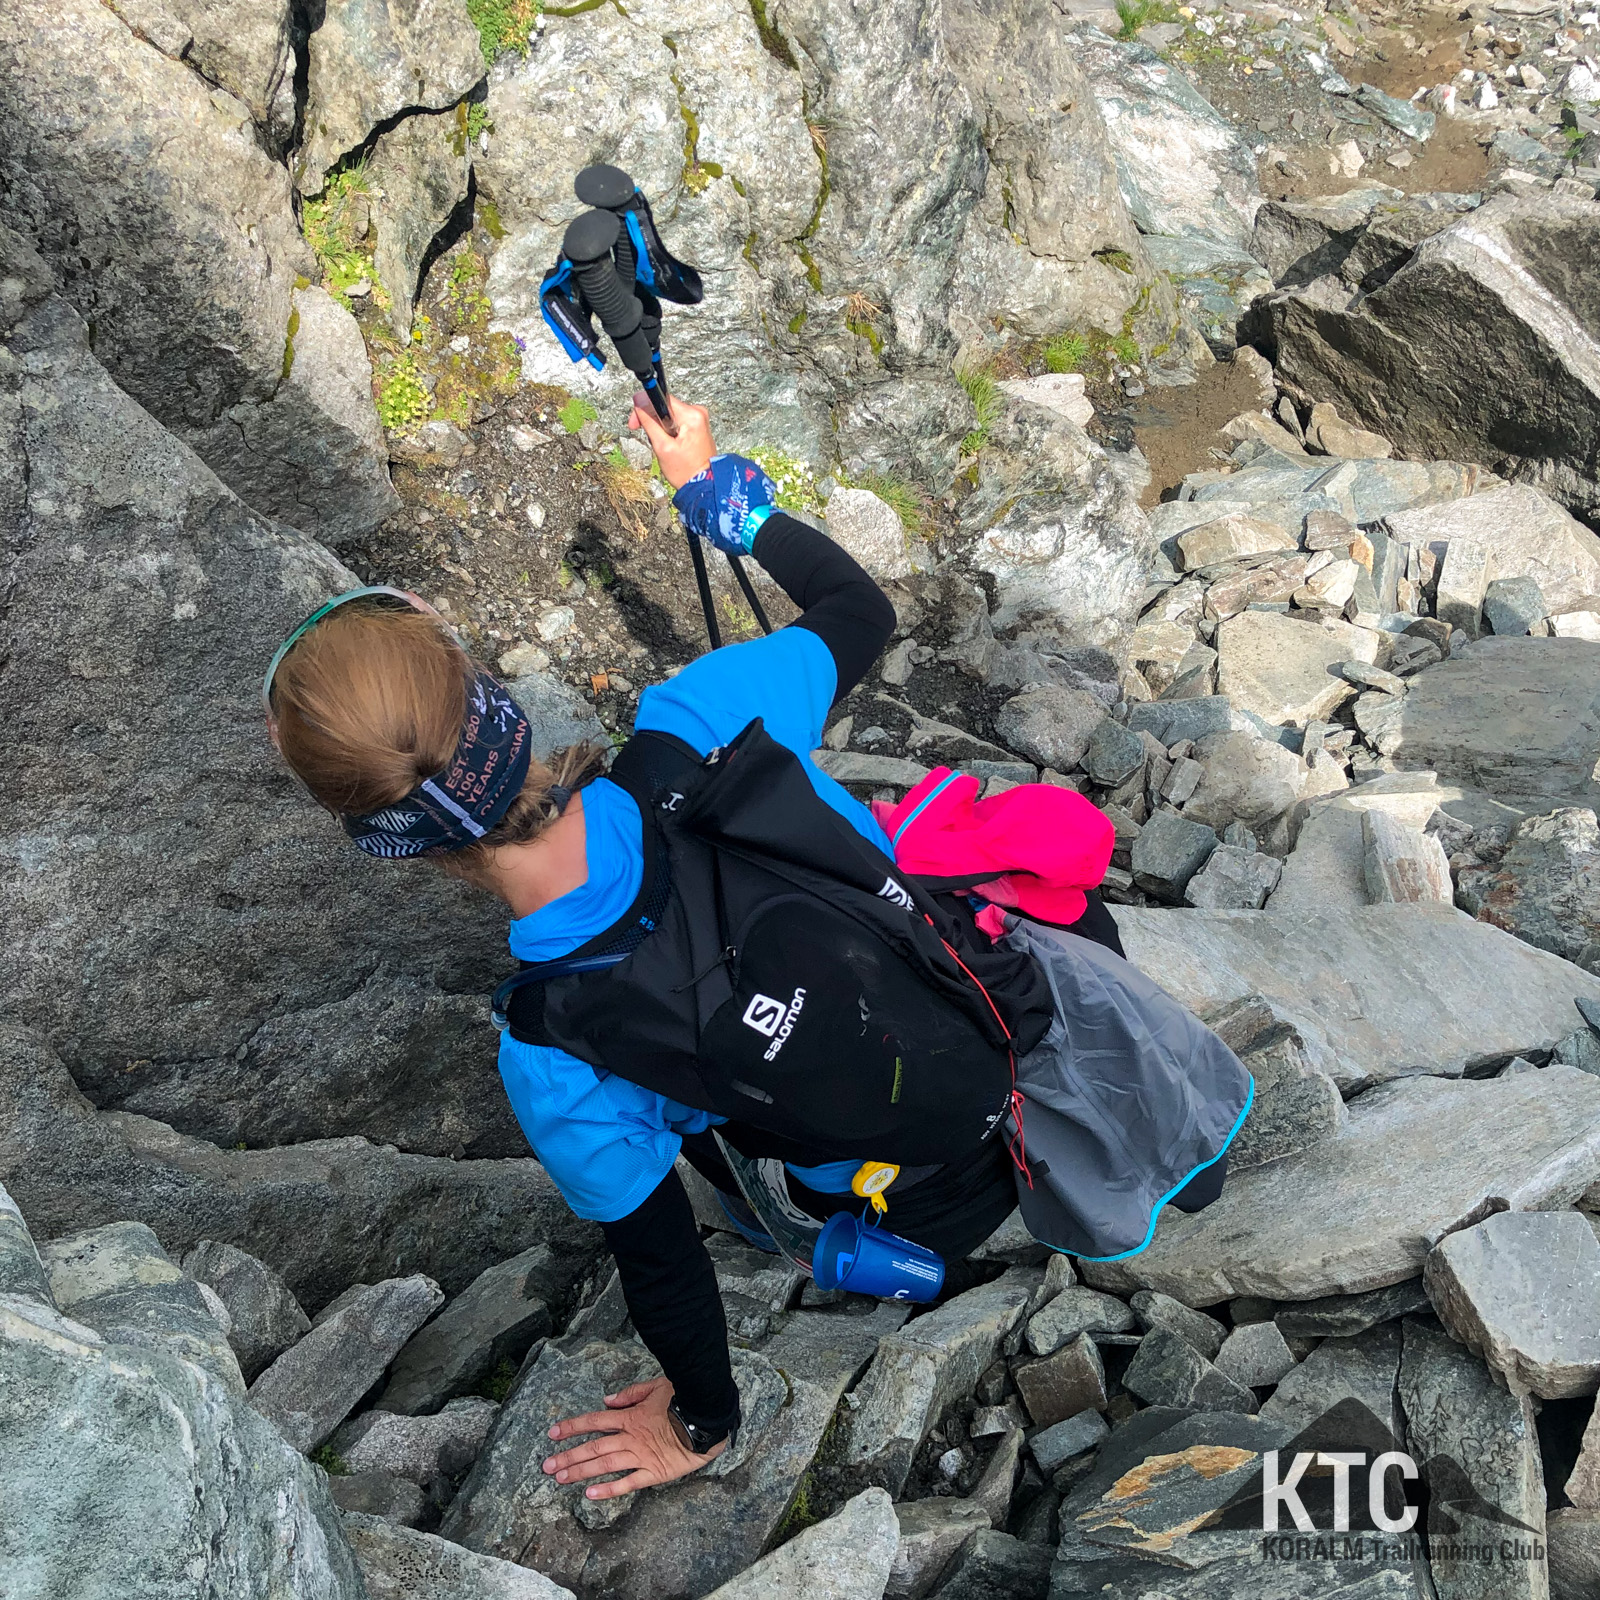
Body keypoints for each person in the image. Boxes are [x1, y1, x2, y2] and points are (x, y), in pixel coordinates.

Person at [264, 395, 1247, 1507]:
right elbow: (856, 610)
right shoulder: (696, 722)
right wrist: (718, 497)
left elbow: (660, 1254)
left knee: (712, 1164)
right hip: (1008, 1011)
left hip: (912, 1200)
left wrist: (702, 1420)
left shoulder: (549, 1042)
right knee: (986, 864)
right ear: (495, 708)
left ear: (384, 840)